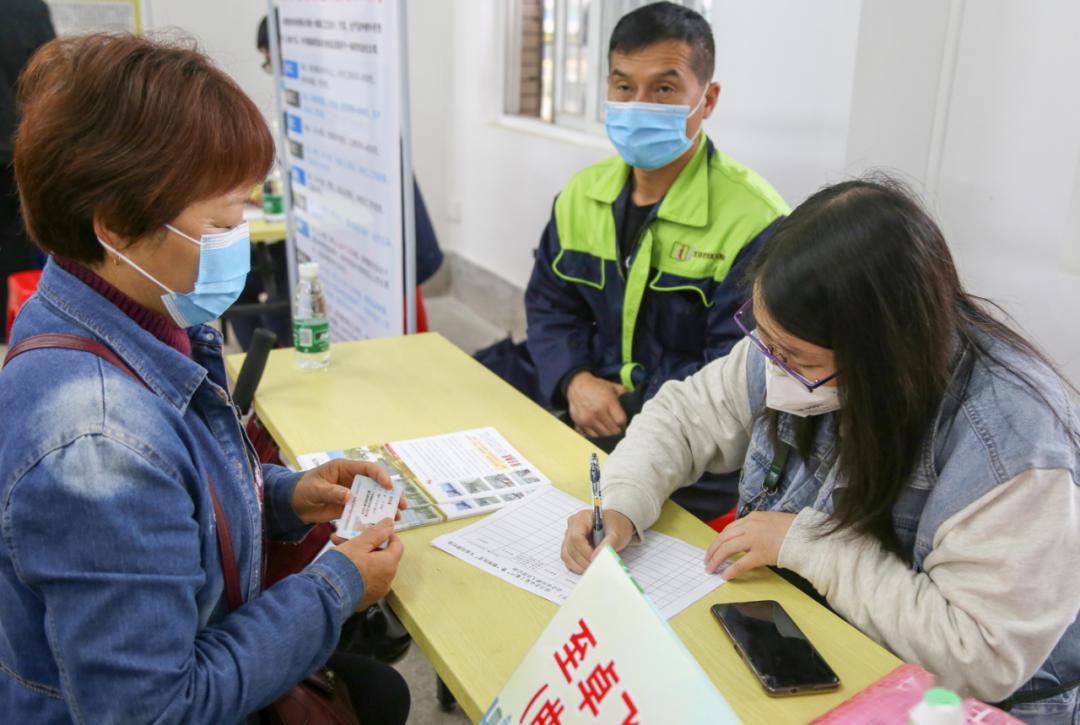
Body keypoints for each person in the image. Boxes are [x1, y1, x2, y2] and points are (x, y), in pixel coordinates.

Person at [560, 177, 1080, 723]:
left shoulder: (1011, 448)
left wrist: (810, 547)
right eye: (764, 339)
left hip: (963, 703)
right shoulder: (795, 341)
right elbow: (685, 416)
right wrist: (622, 501)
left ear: (883, 353)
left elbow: (981, 658)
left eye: (798, 359)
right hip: (822, 642)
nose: (770, 366)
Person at [0, 34, 410, 723]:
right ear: (114, 227)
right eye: (223, 219)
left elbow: (174, 497)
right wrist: (337, 585)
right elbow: (155, 709)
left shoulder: (122, 307)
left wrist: (284, 496)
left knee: (382, 691)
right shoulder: (97, 445)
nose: (241, 236)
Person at [523, 2, 788, 519]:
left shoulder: (754, 219)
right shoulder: (582, 194)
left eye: (663, 89)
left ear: (707, 99)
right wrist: (574, 380)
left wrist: (627, 406)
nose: (638, 104)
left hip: (696, 459)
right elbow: (549, 304)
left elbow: (741, 370)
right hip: (582, 414)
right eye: (624, 87)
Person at [0, 0, 54, 339]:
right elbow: (51, 75)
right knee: (20, 242)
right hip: (18, 146)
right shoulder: (29, 8)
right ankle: (17, 329)